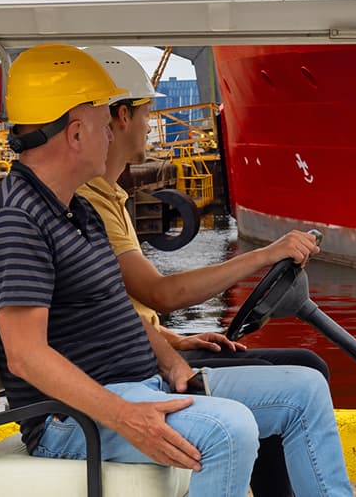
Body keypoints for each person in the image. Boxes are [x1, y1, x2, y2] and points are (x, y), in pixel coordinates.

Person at [0, 44, 353, 497]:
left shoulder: (75, 211)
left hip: (136, 384)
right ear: (75, 134)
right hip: (69, 419)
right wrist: (127, 417)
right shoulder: (16, 221)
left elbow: (115, 308)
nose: (111, 133)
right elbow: (25, 355)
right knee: (228, 430)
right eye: (103, 120)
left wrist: (171, 360)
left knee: (304, 389)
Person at [79, 46, 330, 497]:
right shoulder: (90, 200)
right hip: (128, 372)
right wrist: (263, 255)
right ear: (118, 117)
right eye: (145, 112)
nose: (150, 123)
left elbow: (120, 307)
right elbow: (158, 294)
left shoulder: (108, 196)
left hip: (146, 350)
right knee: (300, 371)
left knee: (302, 369)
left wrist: (176, 340)